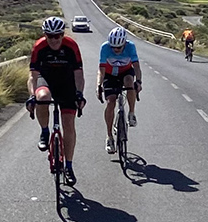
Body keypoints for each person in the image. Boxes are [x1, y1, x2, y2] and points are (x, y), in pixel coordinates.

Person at [28, 16, 86, 184]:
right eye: (50, 36)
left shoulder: (71, 46)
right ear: (45, 35)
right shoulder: (39, 46)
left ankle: (68, 166)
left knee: (68, 124)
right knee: (42, 97)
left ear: (62, 34)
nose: (54, 40)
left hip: (66, 83)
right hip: (46, 80)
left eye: (57, 35)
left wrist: (79, 93)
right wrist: (32, 96)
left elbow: (79, 74)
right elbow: (32, 75)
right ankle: (45, 131)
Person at [98, 26, 142, 155]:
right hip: (110, 74)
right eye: (113, 47)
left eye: (119, 47)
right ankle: (109, 137)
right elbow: (101, 70)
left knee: (130, 83)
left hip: (125, 72)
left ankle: (131, 113)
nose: (116, 50)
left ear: (124, 44)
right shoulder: (105, 48)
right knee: (110, 102)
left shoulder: (130, 46)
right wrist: (99, 85)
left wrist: (138, 82)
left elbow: (137, 67)